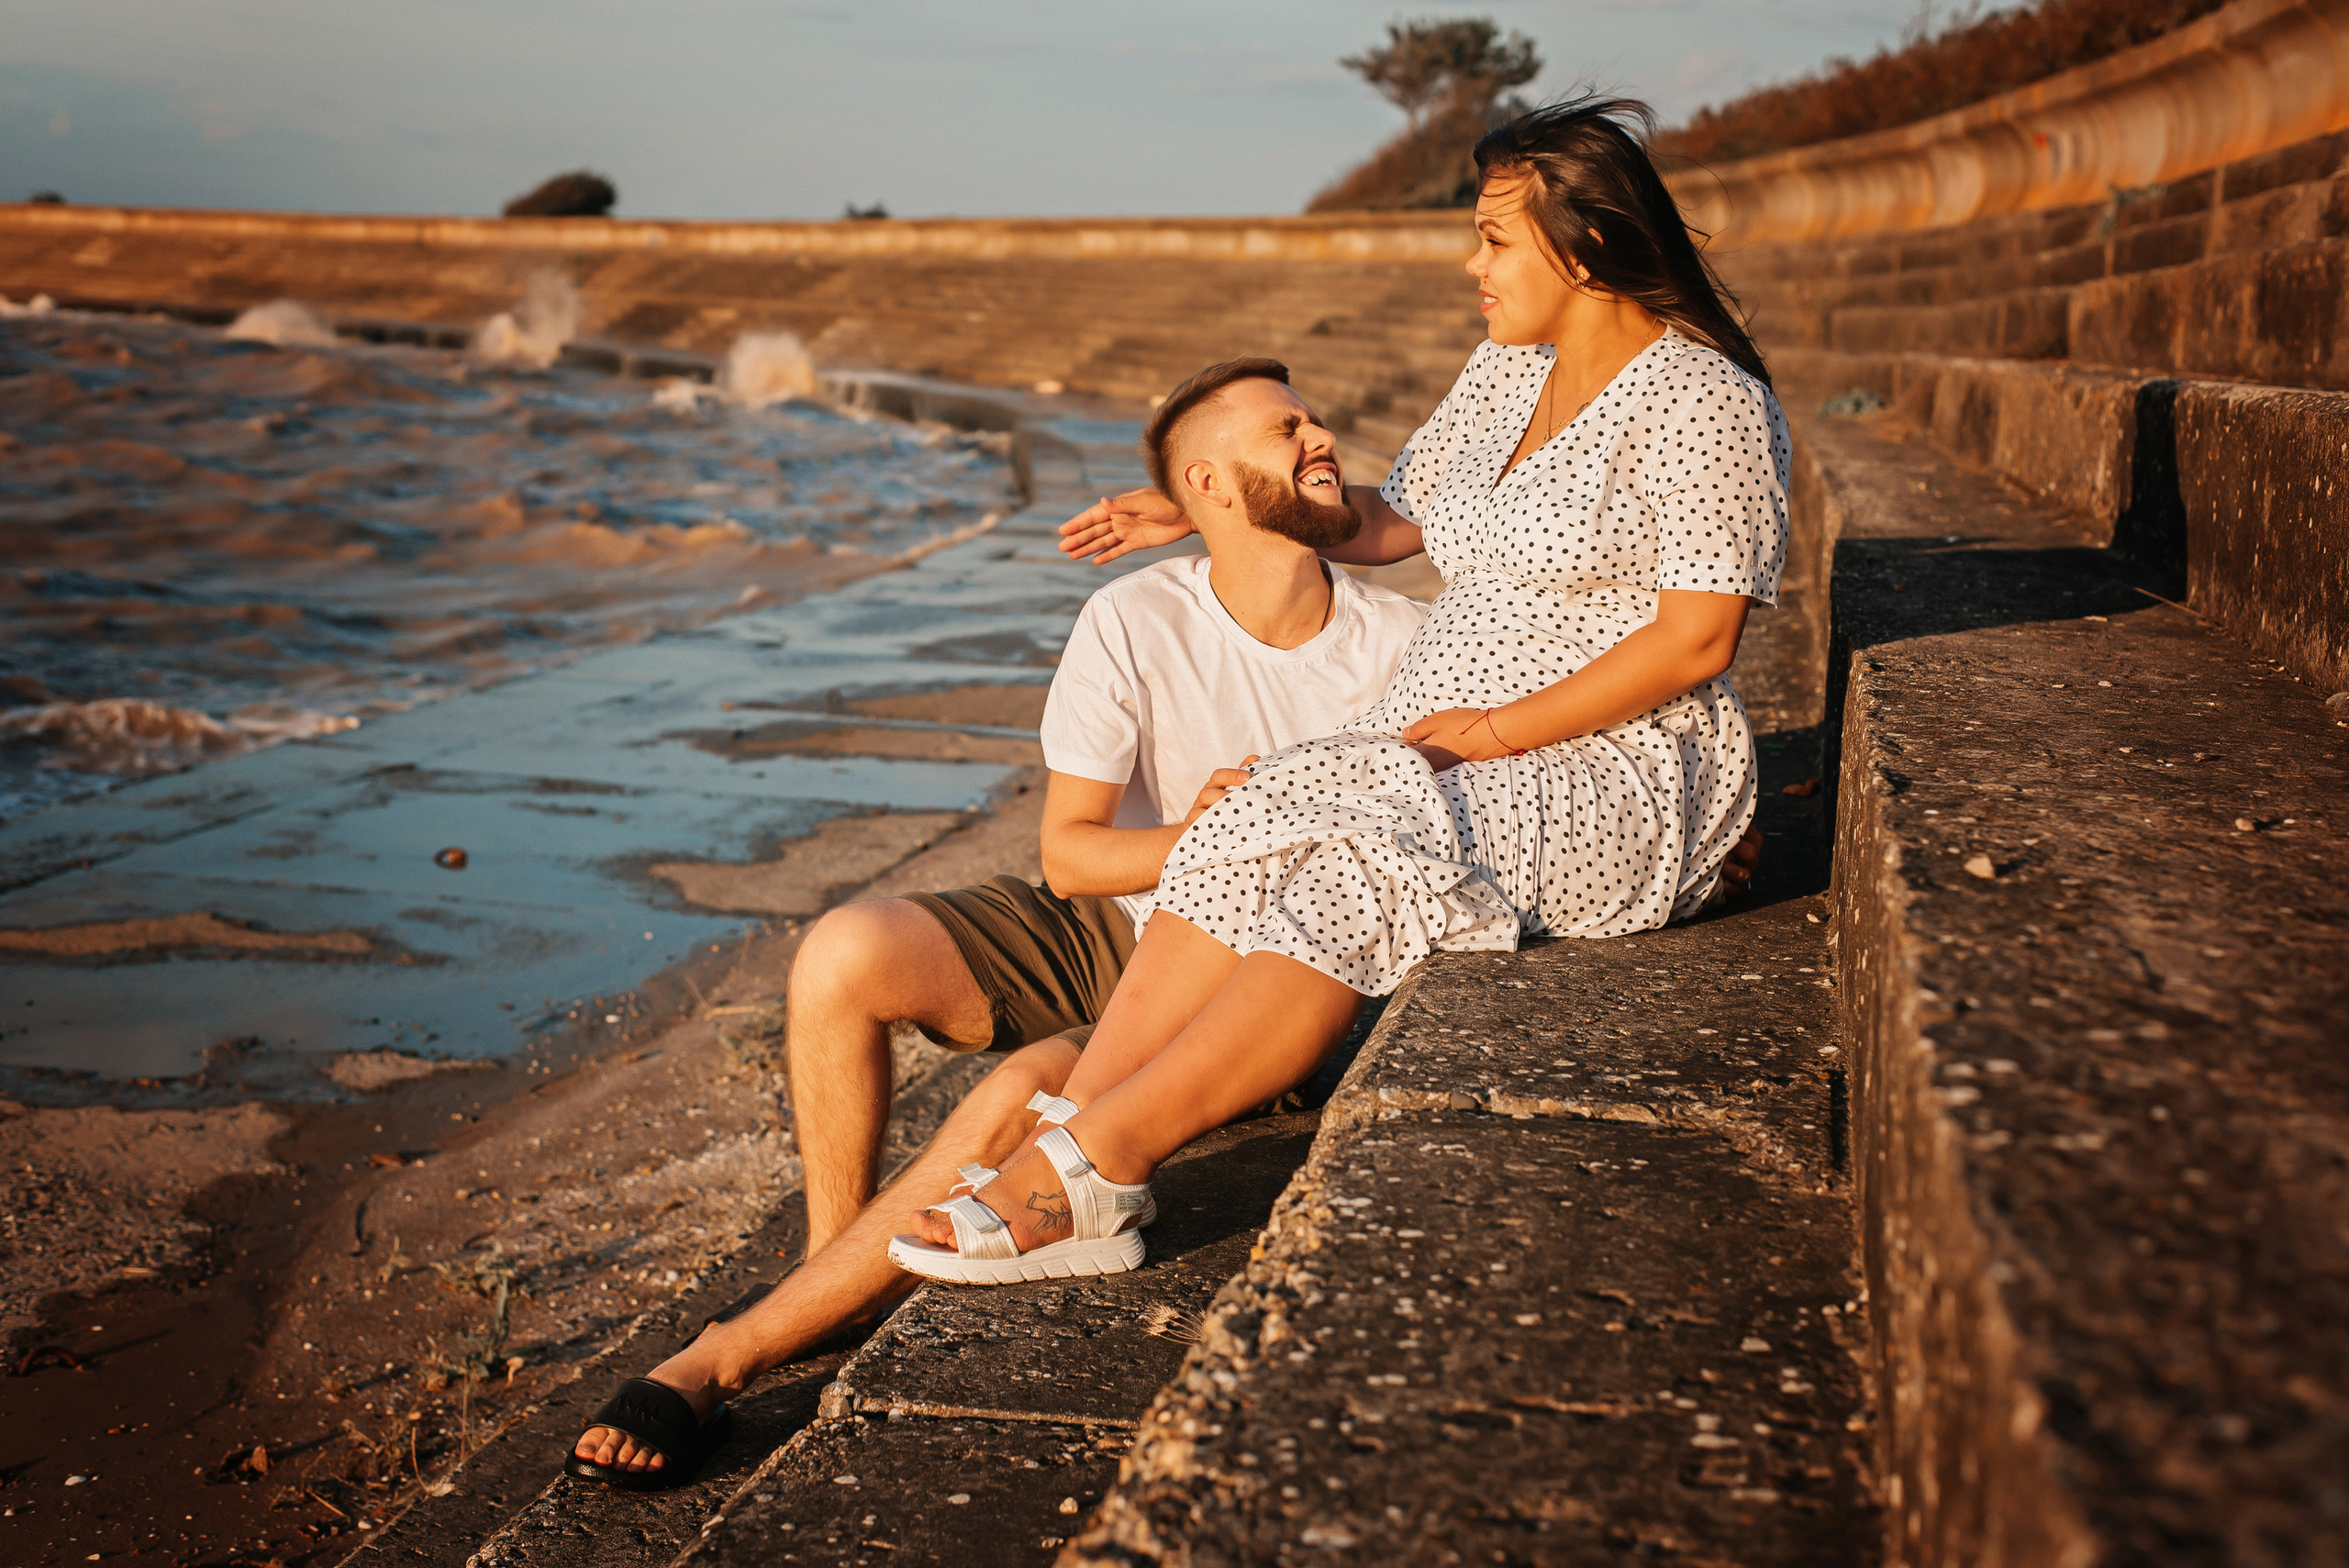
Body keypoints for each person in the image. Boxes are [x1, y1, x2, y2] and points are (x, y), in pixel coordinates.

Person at [892, 95, 1789, 1286]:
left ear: (1584, 247)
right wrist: (1212, 509)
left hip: (1617, 758)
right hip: (1443, 741)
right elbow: (1383, 523)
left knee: (1365, 861)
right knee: (1243, 819)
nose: (1471, 265)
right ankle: (1067, 1137)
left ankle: (1098, 1164)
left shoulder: (1706, 399)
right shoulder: (1503, 372)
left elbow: (1696, 641)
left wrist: (1492, 732)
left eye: (1493, 238)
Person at [564, 358, 1433, 1485]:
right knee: (842, 952)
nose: (1323, 434)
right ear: (1212, 486)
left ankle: (722, 1359)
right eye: (1290, 424)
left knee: (1018, 1089)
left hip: (1255, 973)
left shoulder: (1401, 645)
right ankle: (834, 1273)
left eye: (1315, 416)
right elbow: (1067, 855)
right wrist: (1206, 827)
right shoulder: (1132, 615)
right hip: (1119, 922)